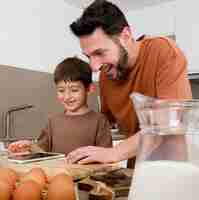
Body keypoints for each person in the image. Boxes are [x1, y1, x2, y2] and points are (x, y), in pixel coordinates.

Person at [65, 0, 192, 166]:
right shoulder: (106, 75)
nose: (94, 67)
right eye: (88, 56)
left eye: (100, 53)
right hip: (136, 171)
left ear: (125, 36)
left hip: (172, 168)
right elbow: (103, 123)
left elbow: (167, 125)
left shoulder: (163, 51)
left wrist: (115, 153)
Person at [8, 57, 112, 155]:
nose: (67, 97)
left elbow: (106, 157)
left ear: (89, 89)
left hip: (88, 174)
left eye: (74, 90)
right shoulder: (53, 121)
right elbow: (43, 153)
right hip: (57, 174)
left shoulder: (100, 121)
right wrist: (30, 147)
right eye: (61, 90)